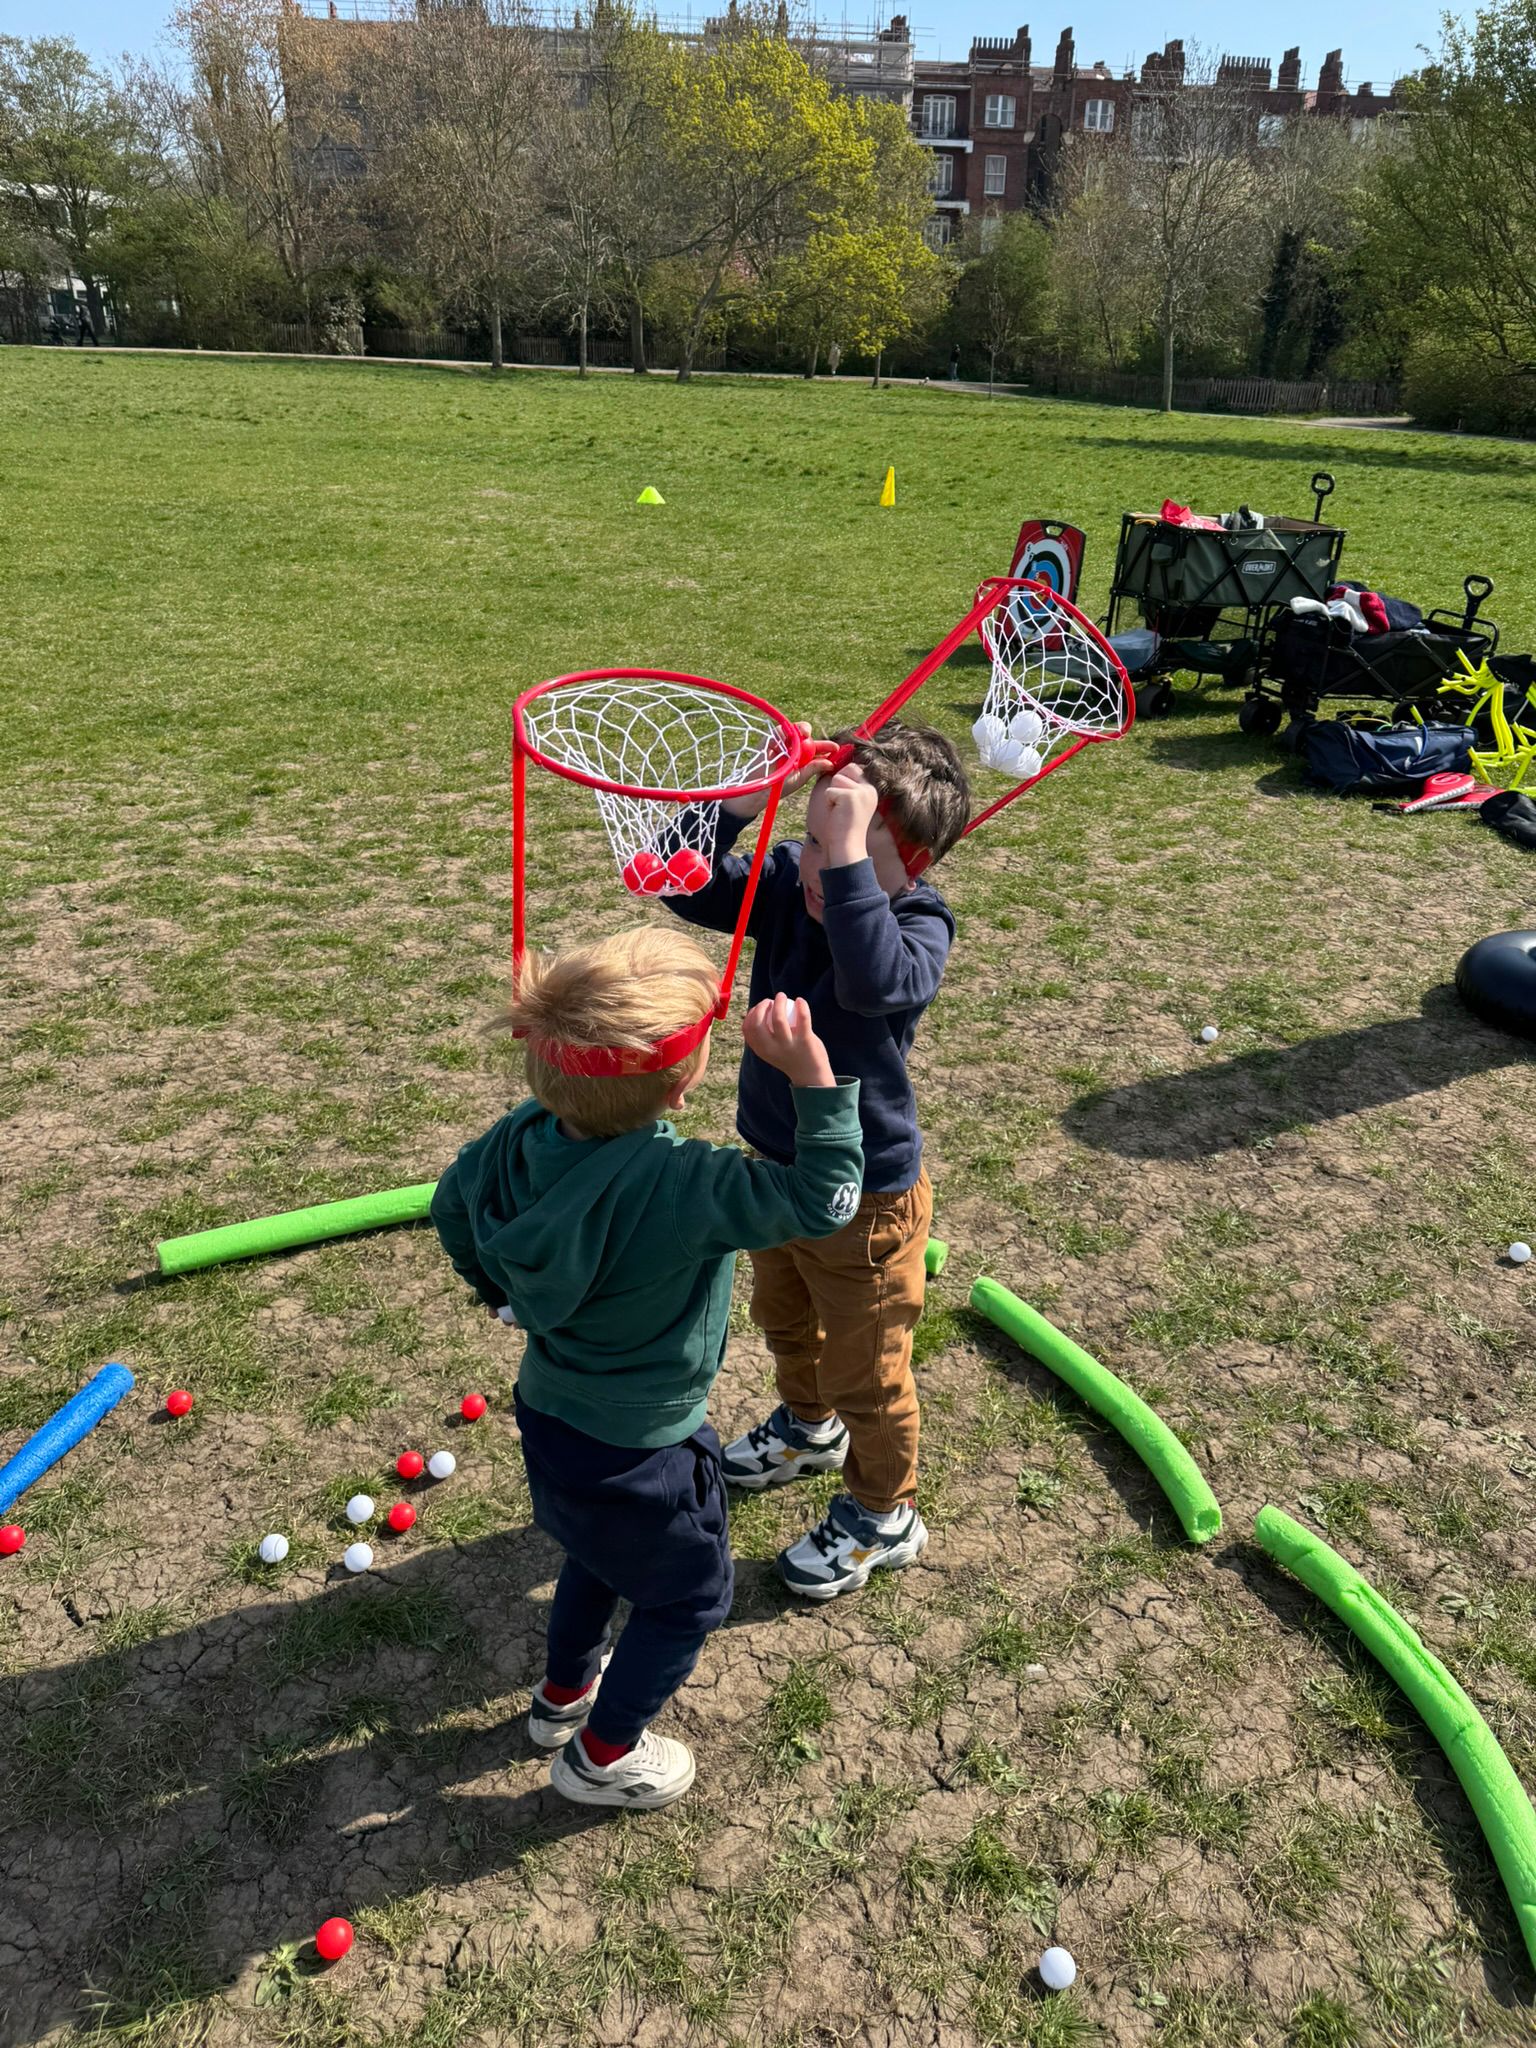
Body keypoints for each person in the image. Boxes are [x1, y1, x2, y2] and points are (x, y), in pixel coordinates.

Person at [430, 927, 862, 1809]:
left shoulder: (513, 1143)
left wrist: (496, 1293)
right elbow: (826, 1200)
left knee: (595, 1553)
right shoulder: (687, 1185)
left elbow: (449, 1206)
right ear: (685, 1075)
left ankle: (561, 1699)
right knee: (689, 1602)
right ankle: (599, 1756)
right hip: (647, 1452)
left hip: (551, 1418)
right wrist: (814, 1078)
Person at [669, 722, 969, 1599]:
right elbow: (676, 879)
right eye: (810, 838)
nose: (812, 866)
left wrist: (842, 866)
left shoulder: (918, 921)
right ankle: (808, 1428)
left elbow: (876, 982)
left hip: (867, 1197)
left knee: (866, 1370)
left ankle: (885, 1513)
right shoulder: (788, 886)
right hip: (773, 1167)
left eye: (841, 852)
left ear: (909, 868)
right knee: (783, 1317)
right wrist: (737, 804)